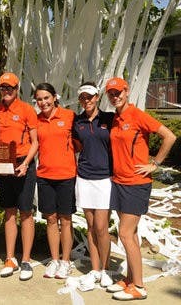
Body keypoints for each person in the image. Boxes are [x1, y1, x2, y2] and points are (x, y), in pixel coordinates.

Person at [105, 77, 176, 301]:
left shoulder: (137, 115)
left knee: (125, 234)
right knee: (131, 234)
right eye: (111, 93)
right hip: (119, 182)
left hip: (136, 183)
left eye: (118, 92)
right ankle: (130, 278)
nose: (115, 96)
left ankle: (139, 286)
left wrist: (155, 164)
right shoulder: (116, 118)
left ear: (127, 92)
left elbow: (169, 136)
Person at [0, 72, 38, 281]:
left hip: (23, 163)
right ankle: (10, 258)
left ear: (17, 89)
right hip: (4, 165)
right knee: (9, 212)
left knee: (26, 212)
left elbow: (35, 142)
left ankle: (26, 259)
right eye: (3, 87)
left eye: (10, 87)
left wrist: (26, 163)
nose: (7, 91)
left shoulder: (27, 109)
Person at [72, 82, 114, 290]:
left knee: (101, 227)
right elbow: (76, 146)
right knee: (90, 227)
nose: (86, 100)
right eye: (83, 97)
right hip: (85, 177)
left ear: (97, 97)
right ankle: (95, 269)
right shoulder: (77, 121)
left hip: (105, 178)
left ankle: (105, 269)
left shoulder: (109, 119)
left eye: (90, 96)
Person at [34, 82, 77, 280]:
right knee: (51, 219)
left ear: (54, 97)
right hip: (44, 176)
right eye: (39, 99)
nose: (43, 102)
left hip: (66, 176)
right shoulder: (36, 121)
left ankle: (66, 261)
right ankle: (54, 260)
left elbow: (79, 144)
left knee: (66, 220)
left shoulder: (69, 116)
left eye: (46, 98)